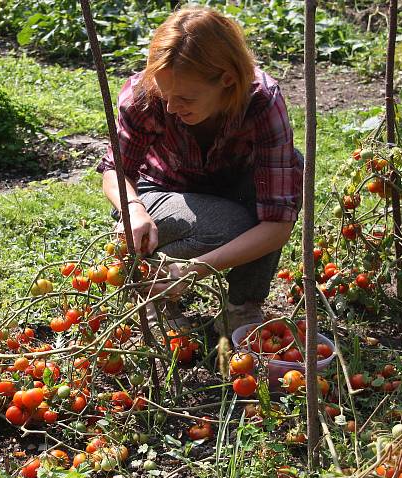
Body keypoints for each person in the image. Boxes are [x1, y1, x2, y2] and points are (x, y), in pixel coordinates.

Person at [97, 6, 303, 336]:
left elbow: (278, 223)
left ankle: (242, 304)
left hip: (231, 186)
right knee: (230, 224)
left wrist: (193, 270)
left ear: (227, 80)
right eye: (165, 93)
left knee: (294, 164)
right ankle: (154, 292)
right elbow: (116, 170)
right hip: (159, 193)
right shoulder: (144, 95)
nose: (170, 107)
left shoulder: (262, 101)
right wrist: (132, 208)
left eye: (185, 97)